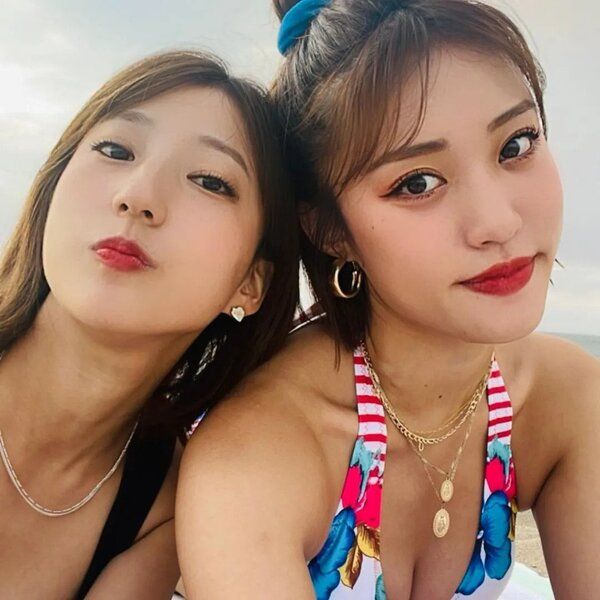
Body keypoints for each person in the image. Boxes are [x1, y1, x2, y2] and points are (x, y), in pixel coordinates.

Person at [176, 1, 600, 599]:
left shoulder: (563, 397)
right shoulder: (257, 457)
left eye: (516, 144)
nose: (498, 222)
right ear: (330, 230)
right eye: (417, 183)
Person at [0, 49, 298, 598]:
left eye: (209, 181)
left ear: (250, 283)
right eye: (115, 150)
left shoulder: (165, 511)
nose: (138, 196)